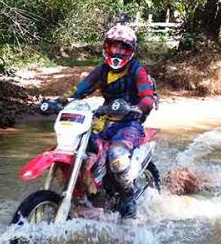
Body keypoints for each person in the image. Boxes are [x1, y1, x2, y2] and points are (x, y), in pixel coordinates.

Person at [66, 24, 156, 219]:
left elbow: (148, 97)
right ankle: (89, 192)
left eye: (122, 47)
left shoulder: (136, 70)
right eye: (113, 46)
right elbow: (79, 91)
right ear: (107, 47)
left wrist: (137, 108)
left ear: (130, 50)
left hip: (129, 125)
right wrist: (60, 101)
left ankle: (128, 197)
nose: (117, 51)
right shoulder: (102, 71)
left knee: (116, 156)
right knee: (80, 150)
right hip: (103, 121)